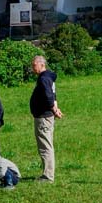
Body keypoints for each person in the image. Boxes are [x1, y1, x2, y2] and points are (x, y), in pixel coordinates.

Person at [29, 54, 62, 183]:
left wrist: (54, 110)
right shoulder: (48, 77)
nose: (33, 68)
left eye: (34, 65)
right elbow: (54, 95)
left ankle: (48, 176)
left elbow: (49, 96)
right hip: (46, 116)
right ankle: (47, 174)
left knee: (45, 146)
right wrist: (56, 108)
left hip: (43, 117)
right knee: (47, 145)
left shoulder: (44, 79)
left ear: (42, 64)